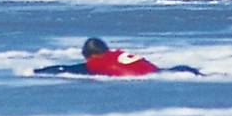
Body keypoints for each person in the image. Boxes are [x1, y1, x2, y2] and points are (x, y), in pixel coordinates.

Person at [34, 37, 197, 77]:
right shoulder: (118, 54)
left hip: (141, 77)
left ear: (89, 55)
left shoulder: (95, 63)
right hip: (161, 72)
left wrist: (37, 71)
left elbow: (66, 69)